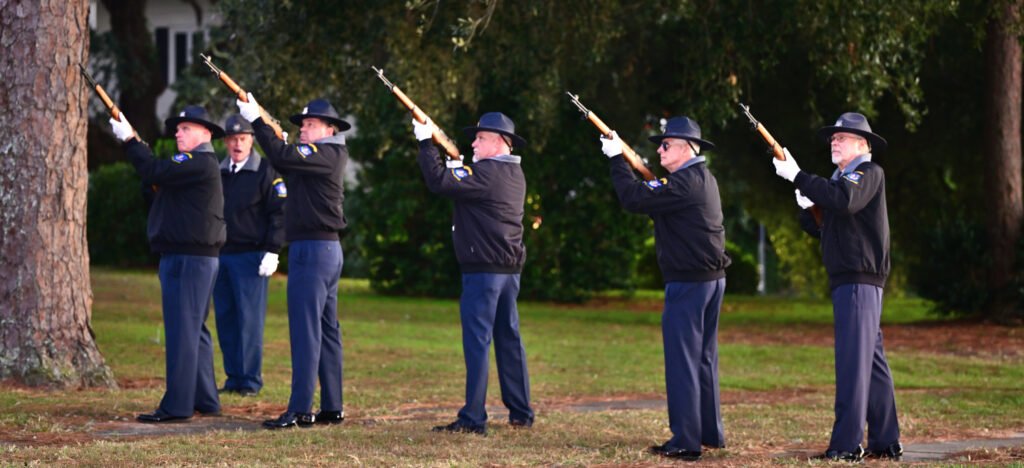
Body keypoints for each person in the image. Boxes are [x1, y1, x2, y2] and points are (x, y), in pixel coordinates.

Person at [771, 112, 902, 462]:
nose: (835, 141)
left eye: (842, 137)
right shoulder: (840, 178)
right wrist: (807, 204)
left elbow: (844, 200)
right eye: (834, 137)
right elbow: (824, 226)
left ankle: (846, 445)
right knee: (870, 363)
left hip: (859, 278)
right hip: (850, 277)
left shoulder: (867, 172)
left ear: (863, 144)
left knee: (852, 364)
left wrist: (799, 176)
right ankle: (886, 440)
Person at [600, 117, 730, 461]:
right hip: (710, 280)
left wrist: (617, 160)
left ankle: (687, 441)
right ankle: (709, 432)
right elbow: (660, 206)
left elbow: (632, 198)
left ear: (687, 148)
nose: (659, 149)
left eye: (666, 144)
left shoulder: (684, 183)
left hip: (689, 282)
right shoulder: (699, 179)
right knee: (703, 359)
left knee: (683, 361)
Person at [412, 113, 534, 435]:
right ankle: (520, 411)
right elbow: (463, 189)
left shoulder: (488, 172)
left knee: (478, 342)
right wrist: (458, 169)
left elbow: (438, 181)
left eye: (480, 138)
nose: (473, 143)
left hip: (484, 271)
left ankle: (473, 418)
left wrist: (426, 143)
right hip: (507, 269)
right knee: (508, 338)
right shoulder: (512, 172)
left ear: (499, 142)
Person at [236, 95, 349, 429]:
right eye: (301, 124)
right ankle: (331, 405)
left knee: (306, 331)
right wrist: (274, 133)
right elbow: (285, 160)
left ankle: (300, 409)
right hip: (323, 249)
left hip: (313, 251)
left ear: (329, 129)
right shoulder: (322, 156)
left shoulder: (326, 152)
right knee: (326, 330)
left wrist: (257, 120)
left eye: (310, 124)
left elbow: (281, 155)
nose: (303, 129)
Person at [109, 105, 226, 423]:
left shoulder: (197, 161)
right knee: (194, 331)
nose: (177, 132)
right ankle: (205, 398)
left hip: (188, 259)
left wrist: (130, 142)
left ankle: (177, 406)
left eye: (186, 128)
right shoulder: (192, 167)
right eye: (177, 128)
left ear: (206, 134)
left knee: (181, 332)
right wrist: (142, 152)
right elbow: (154, 187)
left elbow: (156, 172)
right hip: (192, 257)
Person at [212, 114, 287, 397]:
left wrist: (272, 250)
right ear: (226, 142)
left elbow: (279, 212)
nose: (237, 144)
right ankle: (234, 377)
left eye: (242, 138)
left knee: (249, 321)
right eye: (232, 139)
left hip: (251, 256)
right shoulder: (219, 172)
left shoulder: (266, 170)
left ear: (251, 140)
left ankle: (251, 380)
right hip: (221, 255)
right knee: (226, 318)